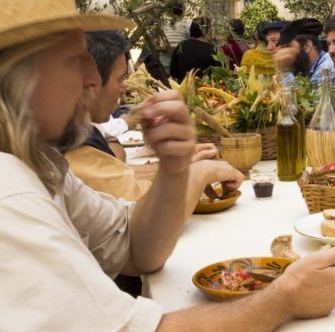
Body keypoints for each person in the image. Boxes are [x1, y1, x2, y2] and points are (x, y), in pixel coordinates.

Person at [0, 0, 335, 332]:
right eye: (73, 59)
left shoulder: (32, 161)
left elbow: (136, 250)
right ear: (9, 75)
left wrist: (175, 171)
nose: (92, 80)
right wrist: (284, 297)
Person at [64, 30, 231, 203]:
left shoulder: (80, 132)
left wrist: (182, 164)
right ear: (91, 83)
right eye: (120, 78)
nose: (125, 88)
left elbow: (119, 175)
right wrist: (200, 173)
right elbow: (140, 206)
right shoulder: (68, 146)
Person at [273, 17, 335, 84]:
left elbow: (301, 96)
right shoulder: (307, 67)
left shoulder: (327, 69)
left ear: (306, 46)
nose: (282, 52)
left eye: (287, 46)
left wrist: (285, 70)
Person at [169, 17, 218, 81]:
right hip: (205, 88)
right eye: (210, 28)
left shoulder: (181, 46)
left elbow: (173, 72)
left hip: (183, 88)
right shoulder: (213, 50)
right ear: (206, 30)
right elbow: (219, 75)